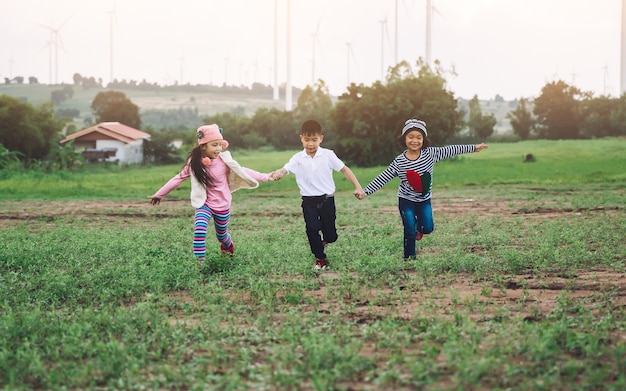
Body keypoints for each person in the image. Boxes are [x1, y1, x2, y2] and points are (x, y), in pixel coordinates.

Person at [356, 119, 489, 261]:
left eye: (419, 137)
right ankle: (409, 258)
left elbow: (451, 149)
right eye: (411, 137)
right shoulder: (399, 161)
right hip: (406, 200)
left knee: (428, 228)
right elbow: (384, 177)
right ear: (404, 139)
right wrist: (366, 191)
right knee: (409, 229)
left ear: (423, 140)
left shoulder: (430, 154)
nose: (415, 141)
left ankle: (420, 229)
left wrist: (474, 148)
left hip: (424, 200)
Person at [149, 124, 274, 266]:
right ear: (203, 146)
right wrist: (159, 194)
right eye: (214, 145)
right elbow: (179, 178)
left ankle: (228, 246)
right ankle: (200, 264)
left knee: (221, 236)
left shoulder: (223, 161)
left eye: (220, 145)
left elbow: (243, 170)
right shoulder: (194, 163)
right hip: (204, 204)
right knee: (199, 231)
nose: (219, 149)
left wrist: (266, 176)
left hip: (222, 205)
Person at [272, 119, 365, 270]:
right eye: (307, 140)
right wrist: (279, 172)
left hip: (327, 199)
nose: (310, 144)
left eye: (314, 140)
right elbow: (286, 168)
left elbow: (344, 169)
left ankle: (326, 239)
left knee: (331, 235)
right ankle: (320, 258)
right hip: (308, 201)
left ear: (321, 138)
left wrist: (358, 186)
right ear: (301, 138)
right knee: (312, 228)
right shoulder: (298, 158)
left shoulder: (328, 155)